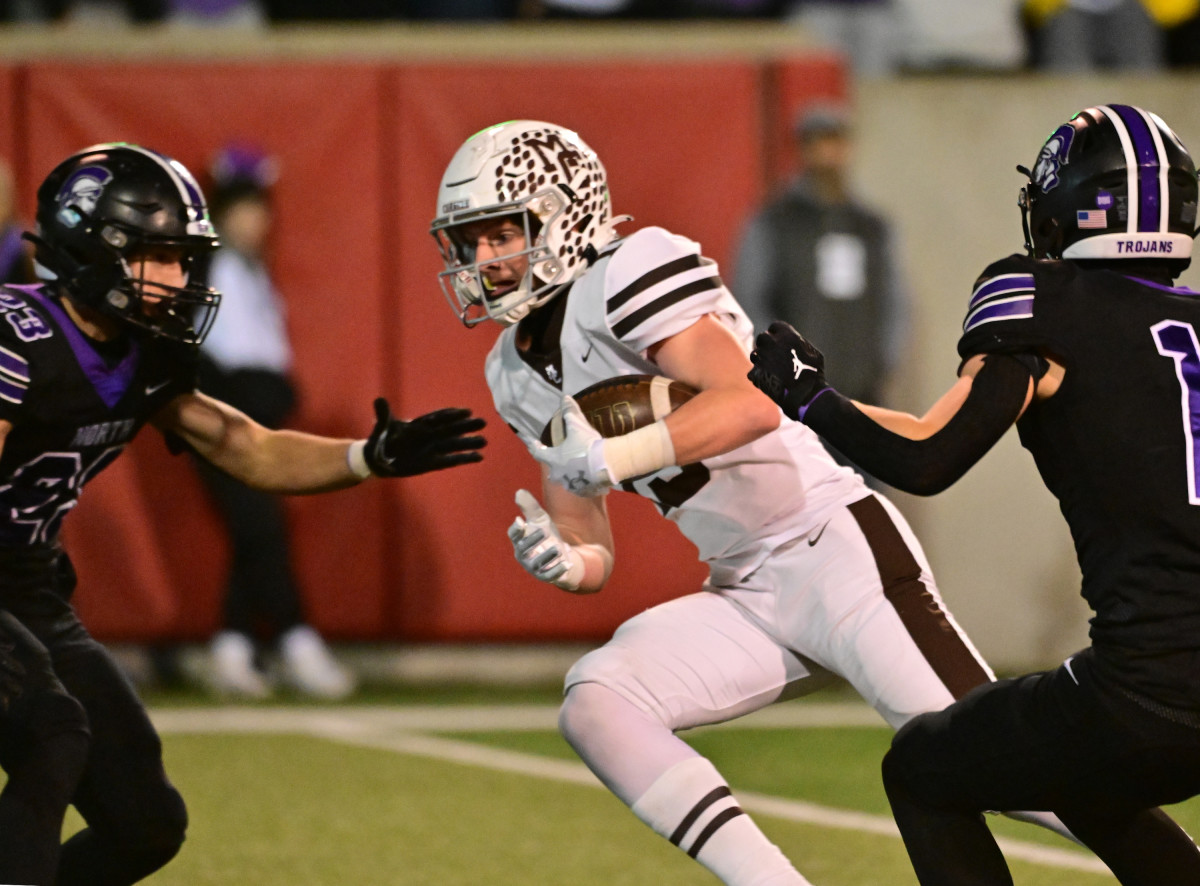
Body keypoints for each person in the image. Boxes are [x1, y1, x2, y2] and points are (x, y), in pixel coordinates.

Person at [430, 119, 1073, 886]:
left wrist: (608, 455)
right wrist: (568, 560)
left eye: (502, 234)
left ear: (564, 214)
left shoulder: (629, 268)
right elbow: (585, 525)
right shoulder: (510, 369)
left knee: (1010, 770)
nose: (483, 261)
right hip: (745, 585)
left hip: (832, 548)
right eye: (468, 242)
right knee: (597, 701)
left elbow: (749, 404)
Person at [0, 141, 486, 886]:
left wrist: (367, 457)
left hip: (27, 588)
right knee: (50, 732)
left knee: (144, 825)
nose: (175, 277)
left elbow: (240, 443)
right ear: (90, 246)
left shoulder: (142, 352)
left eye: (181, 257)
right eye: (155, 256)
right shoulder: (16, 337)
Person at [748, 103, 1200, 884]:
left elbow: (928, 456)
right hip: (1164, 689)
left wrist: (810, 399)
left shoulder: (1044, 300)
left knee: (922, 767)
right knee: (1087, 785)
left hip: (1152, 690)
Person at [194, 143, 353, 699]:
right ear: (217, 213)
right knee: (261, 527)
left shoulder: (252, 273)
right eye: (241, 209)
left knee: (256, 531)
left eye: (259, 209)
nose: (255, 221)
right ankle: (295, 640)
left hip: (256, 419)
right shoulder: (203, 265)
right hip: (222, 420)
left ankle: (233, 649)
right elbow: (201, 352)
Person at [733, 102, 908, 484]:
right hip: (796, 404)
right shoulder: (775, 223)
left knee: (868, 503)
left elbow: (895, 303)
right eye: (818, 142)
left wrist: (882, 361)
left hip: (861, 398)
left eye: (836, 141)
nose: (828, 153)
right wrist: (780, 372)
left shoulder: (872, 227)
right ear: (803, 150)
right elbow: (751, 299)